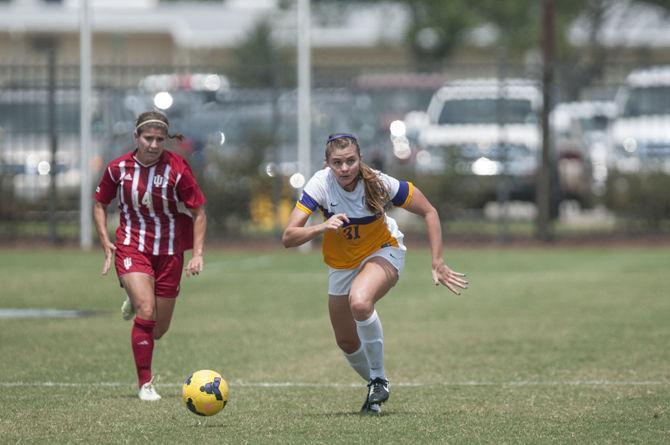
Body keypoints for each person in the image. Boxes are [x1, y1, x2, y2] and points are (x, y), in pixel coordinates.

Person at [282, 133, 468, 415]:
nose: (344, 168)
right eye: (337, 163)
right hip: (341, 264)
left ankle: (379, 378)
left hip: (383, 250)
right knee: (345, 340)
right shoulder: (320, 184)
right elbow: (289, 237)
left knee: (360, 301)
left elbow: (429, 211)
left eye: (350, 161)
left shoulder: (379, 183)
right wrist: (322, 227)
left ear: (360, 160)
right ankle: (375, 387)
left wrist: (438, 261)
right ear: (327, 164)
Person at [93, 110, 206, 401]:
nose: (154, 145)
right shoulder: (117, 169)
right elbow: (99, 203)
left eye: (159, 139)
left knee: (158, 330)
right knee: (146, 310)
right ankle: (145, 384)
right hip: (132, 246)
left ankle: (135, 294)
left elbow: (198, 211)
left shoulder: (178, 169)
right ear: (136, 138)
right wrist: (106, 241)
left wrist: (197, 254)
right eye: (148, 138)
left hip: (169, 251)